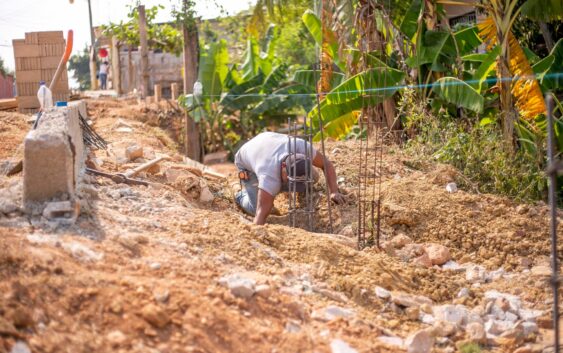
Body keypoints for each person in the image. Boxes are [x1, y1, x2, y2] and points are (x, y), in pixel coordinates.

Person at [234, 131, 344, 225]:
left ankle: (279, 188)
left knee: (313, 178)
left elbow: (326, 164)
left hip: (268, 142)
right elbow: (260, 215)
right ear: (283, 167)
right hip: (246, 158)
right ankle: (240, 195)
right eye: (291, 181)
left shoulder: (302, 147)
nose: (295, 188)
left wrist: (334, 191)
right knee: (255, 209)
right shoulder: (269, 176)